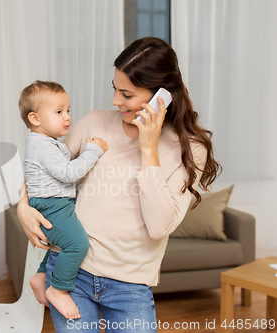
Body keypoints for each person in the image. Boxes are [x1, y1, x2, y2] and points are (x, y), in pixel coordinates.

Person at [17, 37, 221, 332]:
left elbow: (159, 226)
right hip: (72, 273)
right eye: (114, 88)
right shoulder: (94, 123)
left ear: (161, 96)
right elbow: (41, 172)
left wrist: (148, 148)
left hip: (131, 285)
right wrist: (23, 207)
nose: (115, 101)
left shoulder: (190, 149)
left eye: (126, 94)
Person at [19, 80, 109, 320]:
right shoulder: (43, 146)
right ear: (35, 119)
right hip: (51, 205)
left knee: (61, 244)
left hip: (53, 203)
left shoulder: (46, 142)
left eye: (68, 111)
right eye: (59, 112)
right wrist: (93, 150)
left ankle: (40, 276)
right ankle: (58, 289)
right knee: (77, 244)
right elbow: (69, 173)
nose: (67, 117)